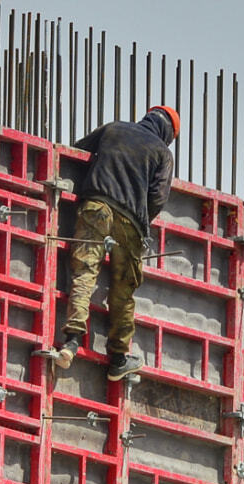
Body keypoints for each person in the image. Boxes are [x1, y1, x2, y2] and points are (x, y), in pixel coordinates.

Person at [55, 105, 178, 381]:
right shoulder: (163, 153)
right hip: (130, 222)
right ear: (168, 132)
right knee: (124, 288)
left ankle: (72, 340)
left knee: (84, 271)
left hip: (95, 206)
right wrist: (141, 218)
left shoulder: (114, 128)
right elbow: (157, 198)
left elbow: (77, 152)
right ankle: (119, 358)